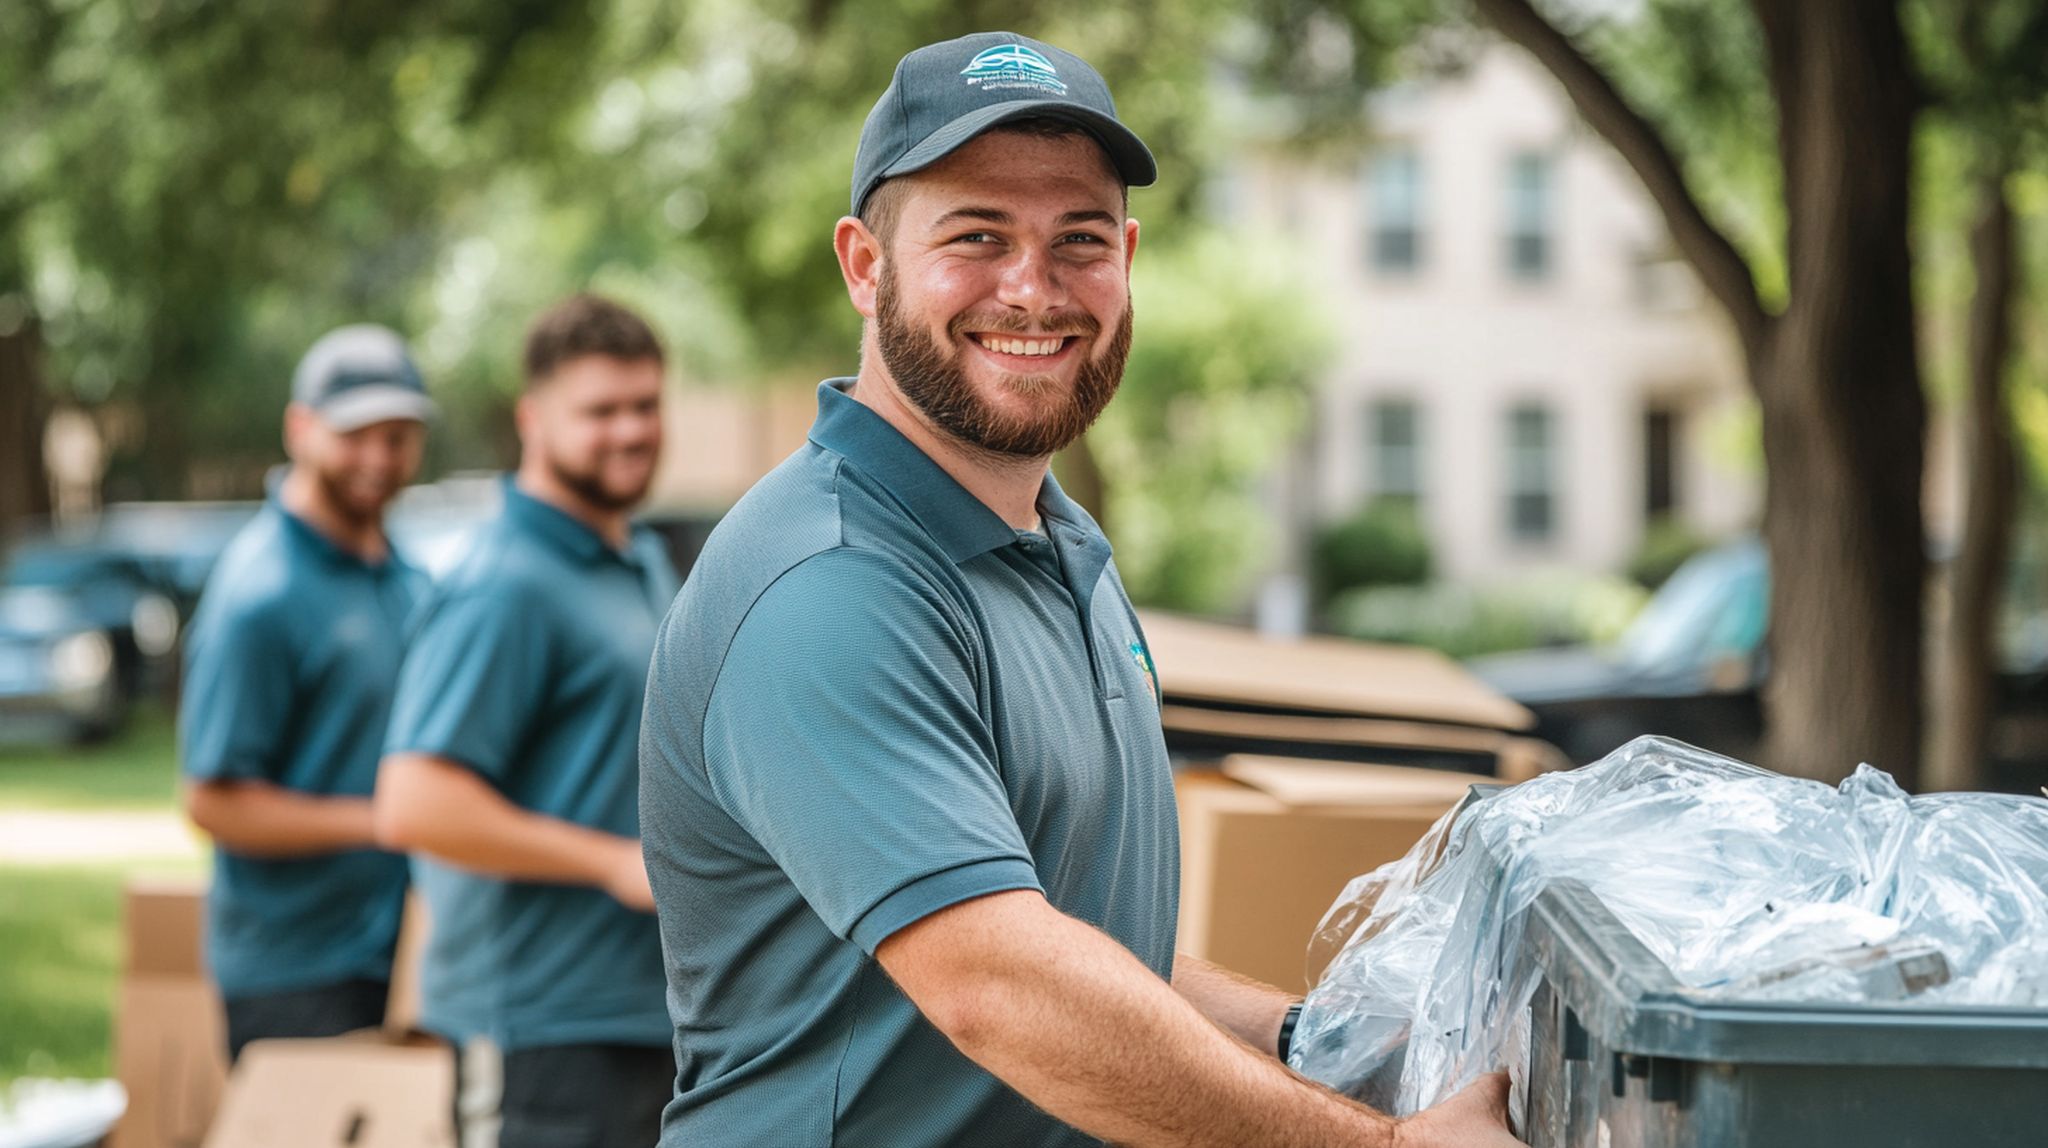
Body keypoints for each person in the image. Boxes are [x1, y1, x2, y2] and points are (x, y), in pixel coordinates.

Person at [637, 31, 1522, 1148]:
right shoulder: (830, 582)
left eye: (1078, 240)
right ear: (865, 266)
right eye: (976, 236)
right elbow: (1002, 983)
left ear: (1127, 257)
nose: (1033, 288)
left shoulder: (1054, 542)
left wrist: (1321, 1042)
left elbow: (1079, 940)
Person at [374, 294, 677, 1148]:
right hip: (541, 1027)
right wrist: (615, 863)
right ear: (533, 419)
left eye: (645, 406)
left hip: (641, 1011)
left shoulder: (638, 556)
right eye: (601, 411)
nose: (630, 431)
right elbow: (414, 800)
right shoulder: (502, 584)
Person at [179, 325, 434, 1062]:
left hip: (403, 956)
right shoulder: (259, 593)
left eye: (398, 437)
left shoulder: (406, 578)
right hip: (296, 974)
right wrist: (385, 821)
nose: (379, 460)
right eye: (356, 435)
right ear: (300, 429)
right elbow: (212, 800)